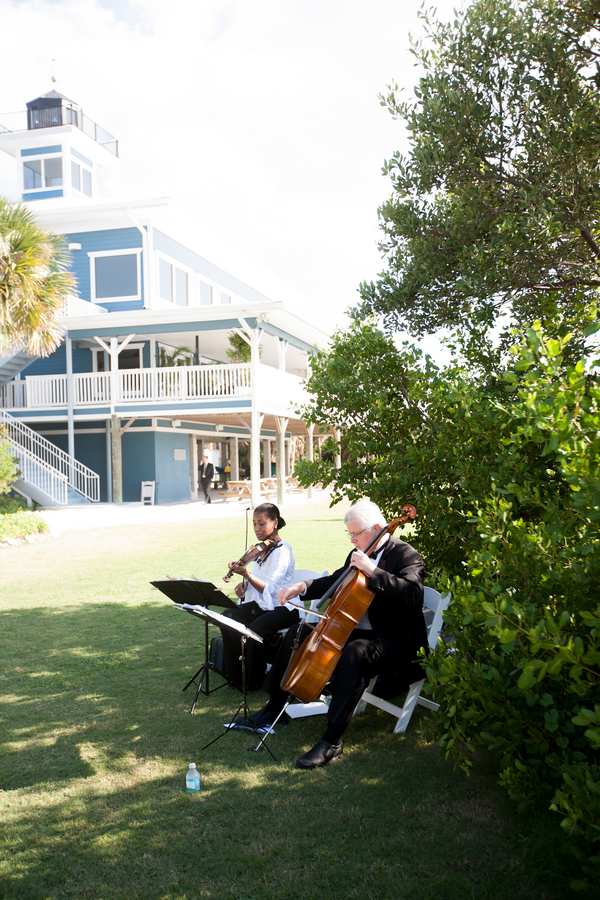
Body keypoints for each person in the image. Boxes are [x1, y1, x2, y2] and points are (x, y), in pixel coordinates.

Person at [237, 499, 426, 769]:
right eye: (349, 533)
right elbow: (334, 581)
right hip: (353, 630)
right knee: (297, 632)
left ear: (376, 527)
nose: (352, 539)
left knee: (354, 653)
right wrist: (300, 586)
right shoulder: (361, 550)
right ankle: (274, 707)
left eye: (356, 533)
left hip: (391, 641)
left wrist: (372, 570)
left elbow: (413, 594)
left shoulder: (405, 554)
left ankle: (332, 741)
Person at [220, 503, 298, 690]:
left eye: (262, 524)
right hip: (264, 605)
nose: (256, 529)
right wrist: (244, 585)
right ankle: (237, 676)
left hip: (285, 607)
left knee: (257, 627)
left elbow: (271, 589)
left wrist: (246, 575)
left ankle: (254, 679)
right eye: (254, 524)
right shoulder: (261, 551)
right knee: (227, 617)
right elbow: (258, 581)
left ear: (275, 522)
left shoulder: (282, 551)